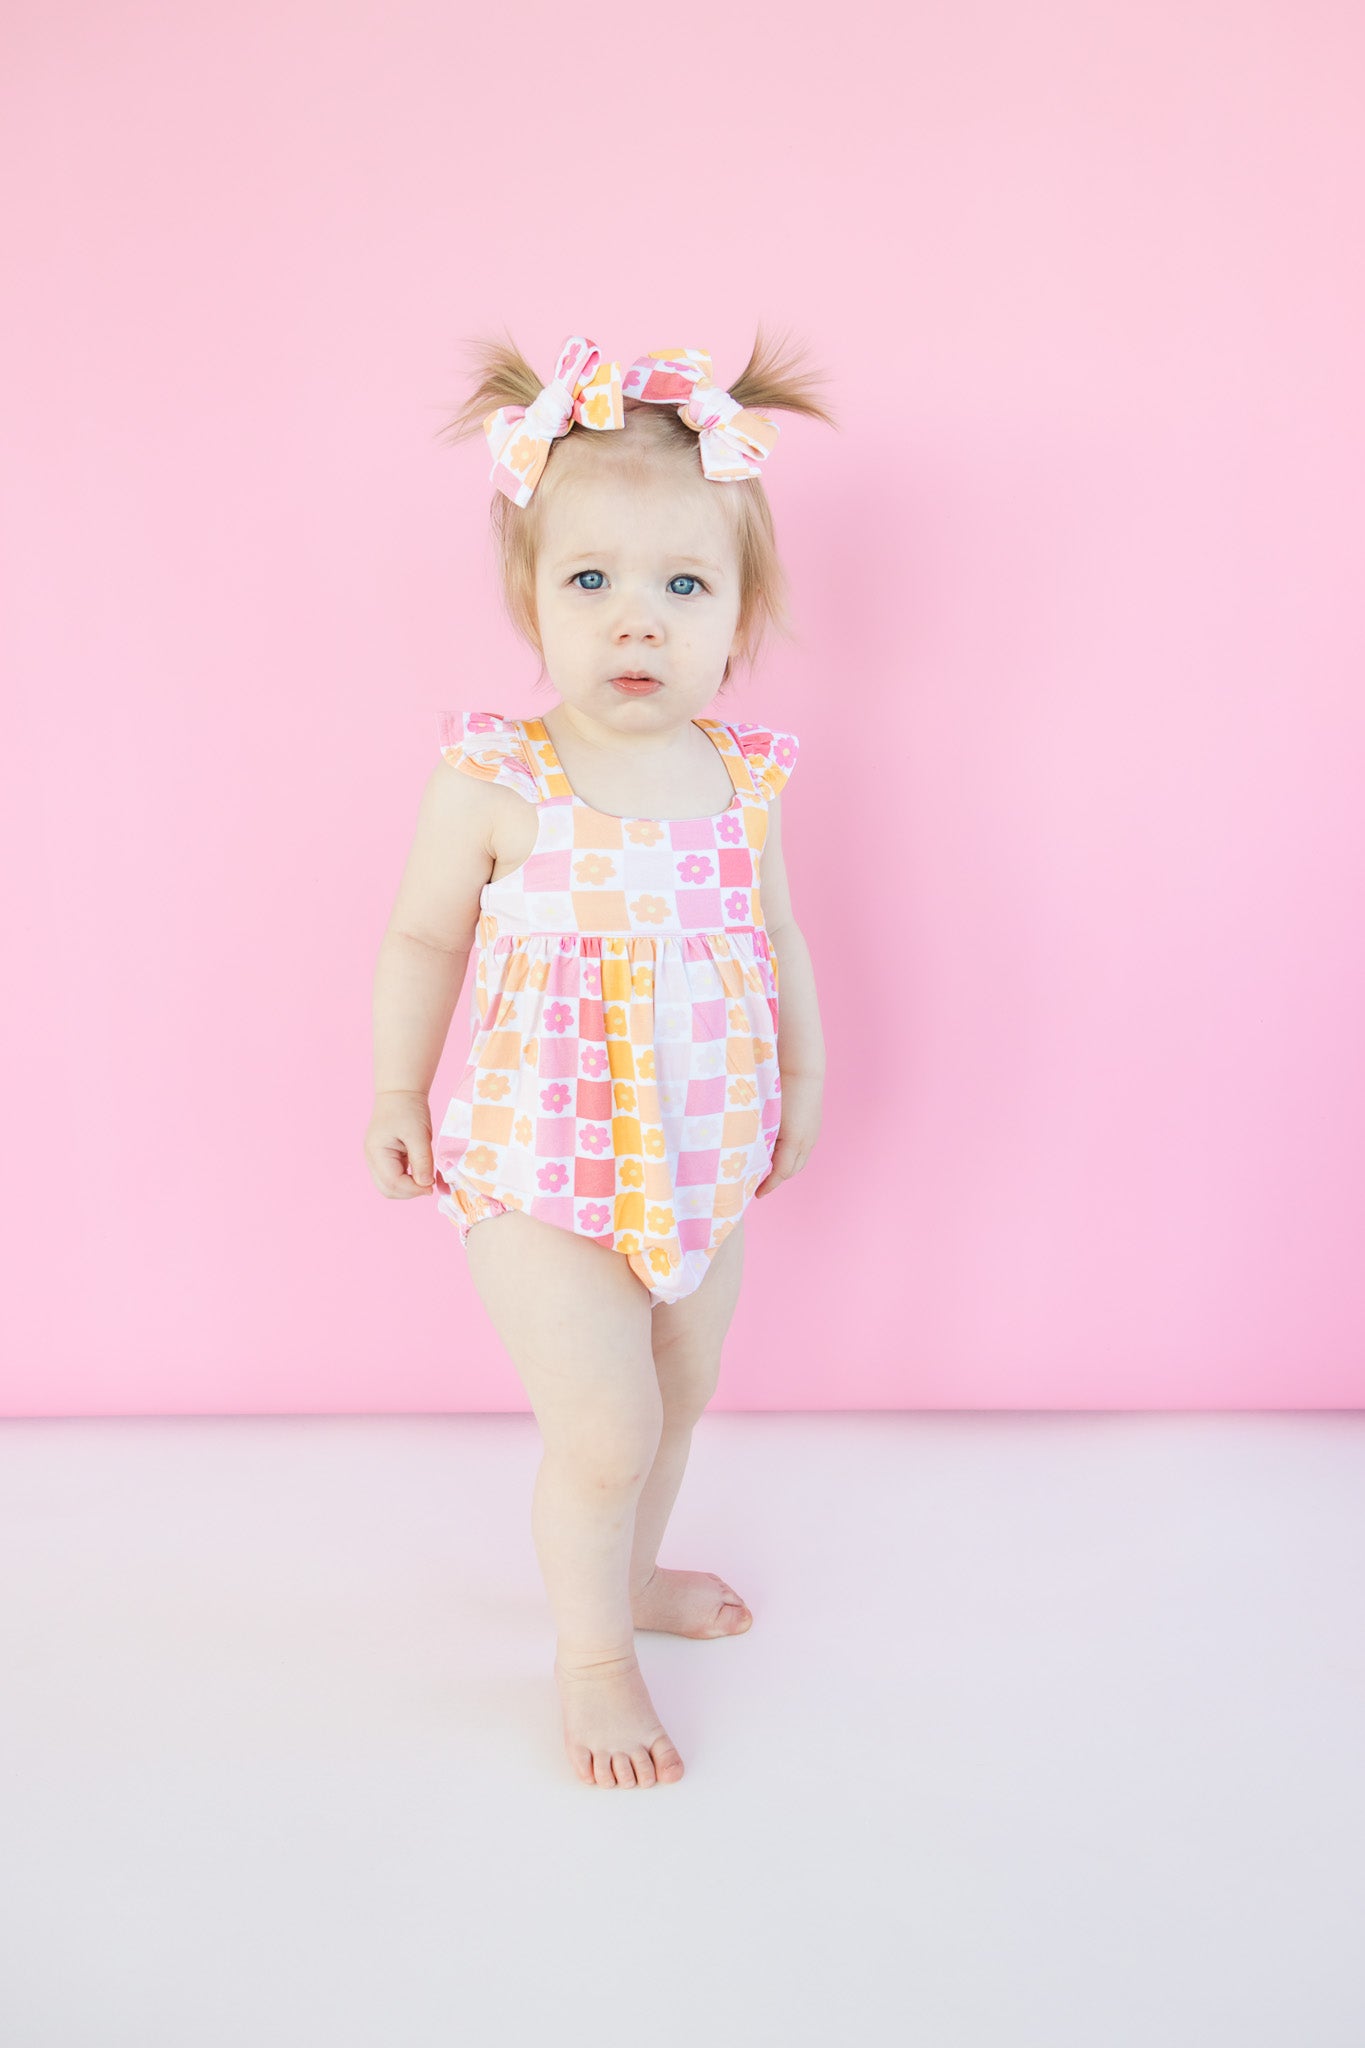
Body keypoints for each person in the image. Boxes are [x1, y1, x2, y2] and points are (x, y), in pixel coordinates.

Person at [365, 331, 831, 1788]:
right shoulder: (501, 776)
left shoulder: (739, 782)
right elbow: (423, 939)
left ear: (741, 610)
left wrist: (803, 1081)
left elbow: (774, 937)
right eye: (591, 583)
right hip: (541, 1165)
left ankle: (632, 1576)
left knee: (682, 1392)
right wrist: (396, 1088)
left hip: (702, 1152)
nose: (638, 623)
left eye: (684, 587)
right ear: (531, 600)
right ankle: (591, 1657)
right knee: (607, 1426)